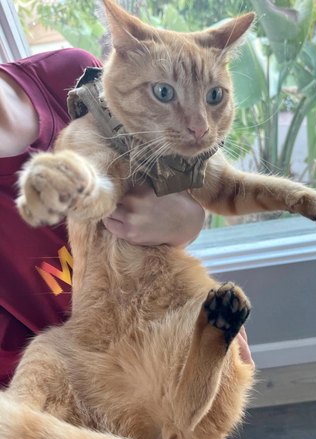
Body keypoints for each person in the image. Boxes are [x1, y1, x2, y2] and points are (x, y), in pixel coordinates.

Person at [0, 47, 253, 389]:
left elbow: (176, 201)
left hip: (180, 355)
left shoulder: (74, 79)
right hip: (79, 416)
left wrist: (186, 220)